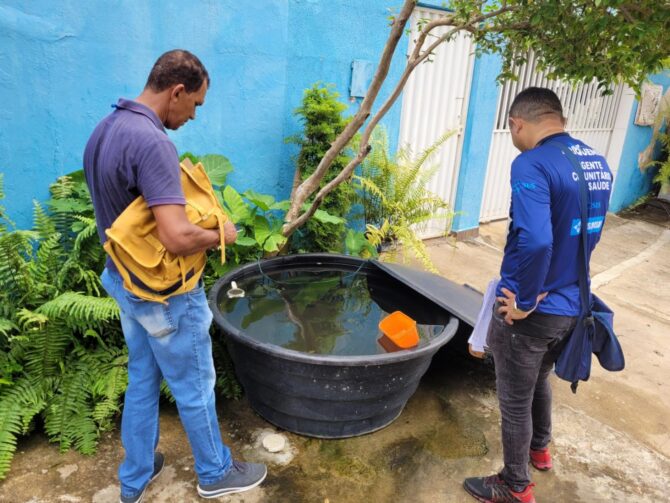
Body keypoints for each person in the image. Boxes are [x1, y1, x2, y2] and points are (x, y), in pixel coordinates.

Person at [83, 50, 267, 503]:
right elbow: (177, 237)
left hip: (125, 282)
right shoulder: (154, 143)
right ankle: (214, 471)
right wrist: (219, 232)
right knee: (195, 383)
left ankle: (136, 476)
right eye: (196, 105)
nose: (193, 115)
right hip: (167, 295)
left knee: (143, 378)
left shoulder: (105, 128)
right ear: (177, 91)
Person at [463, 87, 613, 503]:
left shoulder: (530, 163)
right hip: (573, 301)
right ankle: (539, 450)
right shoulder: (596, 162)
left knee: (513, 399)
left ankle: (515, 485)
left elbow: (536, 241)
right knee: (539, 379)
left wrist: (526, 301)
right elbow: (587, 232)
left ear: (517, 122)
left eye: (511, 129)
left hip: (531, 310)